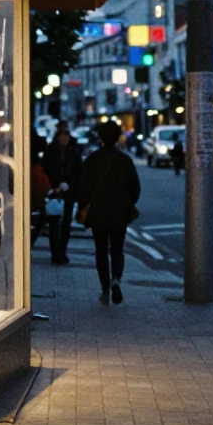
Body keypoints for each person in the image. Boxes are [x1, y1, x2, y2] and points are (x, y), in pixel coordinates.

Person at [78, 121, 141, 305]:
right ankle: (116, 279)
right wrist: (128, 203)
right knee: (117, 248)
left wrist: (84, 207)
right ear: (118, 137)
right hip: (119, 212)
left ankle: (105, 290)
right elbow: (135, 188)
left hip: (97, 212)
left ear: (101, 138)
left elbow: (83, 188)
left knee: (100, 250)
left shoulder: (92, 159)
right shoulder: (125, 160)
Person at [43, 122, 83, 264]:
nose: (64, 138)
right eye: (61, 135)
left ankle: (63, 251)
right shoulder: (50, 151)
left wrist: (69, 185)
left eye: (66, 135)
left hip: (69, 192)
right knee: (54, 224)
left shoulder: (74, 151)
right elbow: (46, 170)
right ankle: (55, 252)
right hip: (54, 191)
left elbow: (79, 172)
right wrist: (55, 186)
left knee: (66, 223)